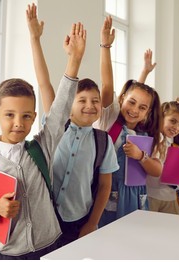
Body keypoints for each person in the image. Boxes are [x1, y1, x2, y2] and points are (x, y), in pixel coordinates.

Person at [0, 21, 87, 260]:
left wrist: (74, 61)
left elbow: (59, 111)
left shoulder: (41, 148)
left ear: (34, 118)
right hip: (8, 254)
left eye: (26, 116)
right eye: (9, 115)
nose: (18, 122)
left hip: (50, 246)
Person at [26, 3, 119, 247]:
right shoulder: (54, 125)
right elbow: (43, 81)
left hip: (81, 221)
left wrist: (92, 223)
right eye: (82, 100)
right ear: (69, 103)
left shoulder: (103, 140)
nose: (90, 105)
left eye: (95, 101)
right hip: (46, 218)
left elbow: (105, 186)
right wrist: (35, 39)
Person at [94, 15, 163, 227]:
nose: (134, 111)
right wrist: (105, 46)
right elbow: (107, 85)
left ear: (148, 112)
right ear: (122, 99)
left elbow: (157, 170)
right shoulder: (109, 121)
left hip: (137, 201)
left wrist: (141, 156)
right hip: (107, 201)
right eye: (130, 103)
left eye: (142, 108)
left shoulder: (145, 135)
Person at [145, 101, 179, 215]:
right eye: (173, 121)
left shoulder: (176, 146)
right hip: (151, 196)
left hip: (170, 198)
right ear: (161, 117)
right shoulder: (153, 139)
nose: (176, 128)